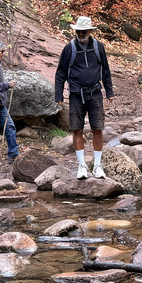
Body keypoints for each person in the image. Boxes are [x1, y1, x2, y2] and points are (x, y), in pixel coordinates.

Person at [55, 16, 114, 179]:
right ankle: (82, 166)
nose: (81, 34)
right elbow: (60, 73)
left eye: (83, 31)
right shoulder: (69, 49)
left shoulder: (98, 47)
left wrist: (109, 92)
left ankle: (97, 165)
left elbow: (106, 71)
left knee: (97, 129)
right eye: (78, 31)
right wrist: (58, 94)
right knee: (77, 129)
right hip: (76, 94)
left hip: (95, 93)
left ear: (90, 31)